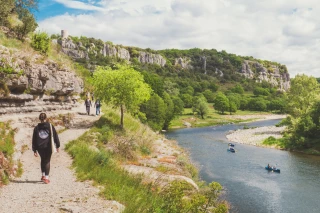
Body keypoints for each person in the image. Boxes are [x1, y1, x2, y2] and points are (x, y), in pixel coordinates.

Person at [32, 113, 60, 184]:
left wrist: (34, 150)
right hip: (48, 146)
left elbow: (34, 139)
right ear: (46, 118)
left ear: (39, 118)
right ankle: (47, 178)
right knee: (47, 161)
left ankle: (43, 176)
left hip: (40, 147)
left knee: (42, 160)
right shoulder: (50, 126)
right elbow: (55, 135)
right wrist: (57, 146)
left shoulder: (36, 128)